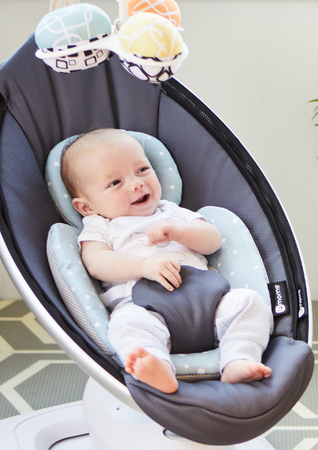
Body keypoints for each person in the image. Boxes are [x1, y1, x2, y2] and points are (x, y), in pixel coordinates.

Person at [60, 128, 273, 394]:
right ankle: (156, 367)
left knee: (250, 303)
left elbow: (213, 241)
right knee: (126, 325)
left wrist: (180, 231)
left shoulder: (172, 212)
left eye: (142, 170)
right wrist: (143, 267)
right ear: (86, 207)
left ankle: (239, 359)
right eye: (115, 183)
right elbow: (97, 263)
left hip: (209, 302)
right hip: (144, 307)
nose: (136, 184)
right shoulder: (100, 226)